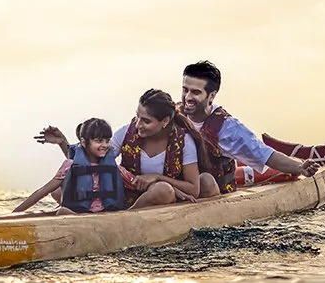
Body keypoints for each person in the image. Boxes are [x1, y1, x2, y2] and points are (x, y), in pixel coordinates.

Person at [176, 60, 314, 196]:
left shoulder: (228, 128)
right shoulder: (173, 115)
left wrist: (299, 168)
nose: (187, 97)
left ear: (211, 95)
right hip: (177, 190)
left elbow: (266, 155)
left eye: (195, 92)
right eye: (185, 90)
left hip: (210, 192)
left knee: (205, 181)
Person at [16, 118, 133, 213]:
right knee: (62, 211)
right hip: (79, 214)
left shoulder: (114, 168)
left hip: (107, 215)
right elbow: (43, 191)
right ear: (83, 142)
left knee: (61, 211)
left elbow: (135, 183)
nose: (104, 145)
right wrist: (14, 213)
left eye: (107, 141)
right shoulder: (70, 165)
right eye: (98, 141)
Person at [113, 89, 202, 207]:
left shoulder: (184, 141)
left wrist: (157, 177)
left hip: (167, 199)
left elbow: (194, 189)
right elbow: (98, 156)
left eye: (146, 121)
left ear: (165, 121)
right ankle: (126, 217)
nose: (138, 124)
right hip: (128, 200)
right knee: (163, 189)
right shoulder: (125, 133)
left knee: (164, 190)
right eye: (137, 116)